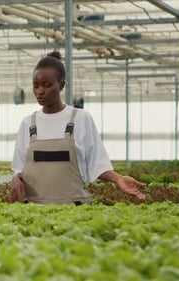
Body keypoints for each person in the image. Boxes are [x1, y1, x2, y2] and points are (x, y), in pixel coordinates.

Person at [11, 51, 145, 204]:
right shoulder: (28, 124)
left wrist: (118, 179)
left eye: (47, 85)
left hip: (74, 209)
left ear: (61, 85)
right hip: (34, 211)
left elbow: (97, 164)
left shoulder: (81, 119)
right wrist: (16, 179)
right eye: (36, 86)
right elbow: (19, 168)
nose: (40, 91)